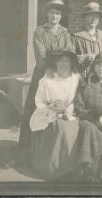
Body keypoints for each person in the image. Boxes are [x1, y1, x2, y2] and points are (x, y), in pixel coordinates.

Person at [19, 0, 75, 148]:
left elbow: (70, 54)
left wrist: (61, 65)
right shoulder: (40, 32)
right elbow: (41, 57)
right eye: (52, 12)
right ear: (47, 14)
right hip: (44, 75)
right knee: (38, 109)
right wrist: (57, 61)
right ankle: (29, 148)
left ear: (61, 16)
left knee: (61, 110)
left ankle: (55, 148)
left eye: (58, 13)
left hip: (62, 77)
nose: (54, 16)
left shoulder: (66, 34)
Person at [29, 49, 81, 181]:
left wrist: (69, 109)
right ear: (55, 63)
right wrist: (52, 109)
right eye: (60, 60)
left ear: (71, 63)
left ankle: (73, 168)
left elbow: (78, 99)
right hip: (48, 113)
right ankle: (58, 168)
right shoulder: (46, 80)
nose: (64, 64)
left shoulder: (76, 78)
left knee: (75, 126)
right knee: (61, 127)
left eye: (67, 61)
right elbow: (39, 102)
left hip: (71, 112)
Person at [74, 53, 102, 181]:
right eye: (98, 65)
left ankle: (95, 172)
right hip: (89, 121)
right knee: (88, 129)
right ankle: (87, 168)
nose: (101, 69)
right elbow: (79, 107)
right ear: (94, 67)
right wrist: (94, 118)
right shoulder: (86, 84)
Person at [73, 2, 102, 79]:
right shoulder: (76, 36)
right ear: (85, 17)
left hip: (100, 76)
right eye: (91, 16)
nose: (94, 19)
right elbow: (71, 58)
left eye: (96, 16)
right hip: (83, 75)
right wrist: (86, 57)